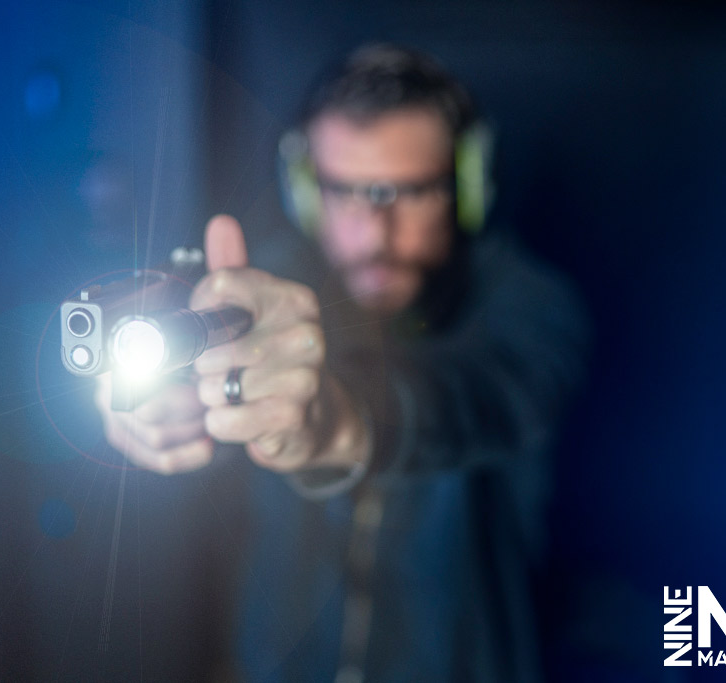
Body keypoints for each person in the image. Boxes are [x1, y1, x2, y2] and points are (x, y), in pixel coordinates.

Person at [95, 44, 588, 683]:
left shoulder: (531, 304)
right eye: (344, 192)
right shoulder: (269, 281)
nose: (374, 232)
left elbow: (475, 399)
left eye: (408, 193)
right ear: (305, 190)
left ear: (466, 185)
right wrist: (180, 407)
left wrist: (337, 426)